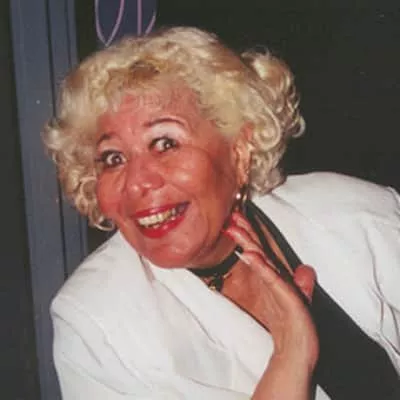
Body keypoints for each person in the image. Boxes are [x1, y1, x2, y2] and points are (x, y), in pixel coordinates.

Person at [43, 27, 400, 399]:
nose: (137, 183)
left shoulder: (354, 215)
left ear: (239, 152)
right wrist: (291, 355)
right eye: (113, 158)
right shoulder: (95, 323)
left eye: (165, 143)